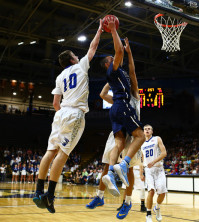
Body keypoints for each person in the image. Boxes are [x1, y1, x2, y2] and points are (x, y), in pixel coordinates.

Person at [32, 19, 104, 213]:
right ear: (73, 60)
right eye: (75, 55)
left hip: (60, 113)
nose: (78, 55)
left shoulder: (59, 77)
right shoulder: (81, 66)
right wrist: (99, 30)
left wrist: (63, 115)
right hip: (74, 113)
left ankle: (38, 191)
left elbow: (55, 103)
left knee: (50, 152)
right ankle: (50, 195)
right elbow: (93, 46)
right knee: (63, 154)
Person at [87, 37, 145, 219]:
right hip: (121, 125)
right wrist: (112, 78)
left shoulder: (134, 95)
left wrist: (129, 55)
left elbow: (133, 73)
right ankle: (99, 196)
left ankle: (127, 203)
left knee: (128, 170)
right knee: (107, 166)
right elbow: (102, 94)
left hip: (130, 132)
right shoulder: (120, 96)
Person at [100, 17, 145, 198]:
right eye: (110, 59)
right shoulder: (114, 73)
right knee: (140, 136)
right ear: (107, 64)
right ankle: (122, 165)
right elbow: (117, 51)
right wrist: (112, 30)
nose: (114, 57)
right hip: (124, 109)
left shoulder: (121, 75)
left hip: (118, 110)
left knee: (118, 143)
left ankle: (111, 173)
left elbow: (132, 71)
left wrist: (130, 53)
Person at [141, 124, 167, 222]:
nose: (147, 130)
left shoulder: (157, 139)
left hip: (159, 168)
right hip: (148, 170)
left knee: (162, 193)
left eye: (149, 129)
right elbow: (142, 160)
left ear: (152, 131)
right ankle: (148, 214)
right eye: (145, 129)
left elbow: (164, 153)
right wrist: (141, 172)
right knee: (151, 191)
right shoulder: (141, 144)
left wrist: (154, 161)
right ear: (143, 132)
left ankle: (157, 208)